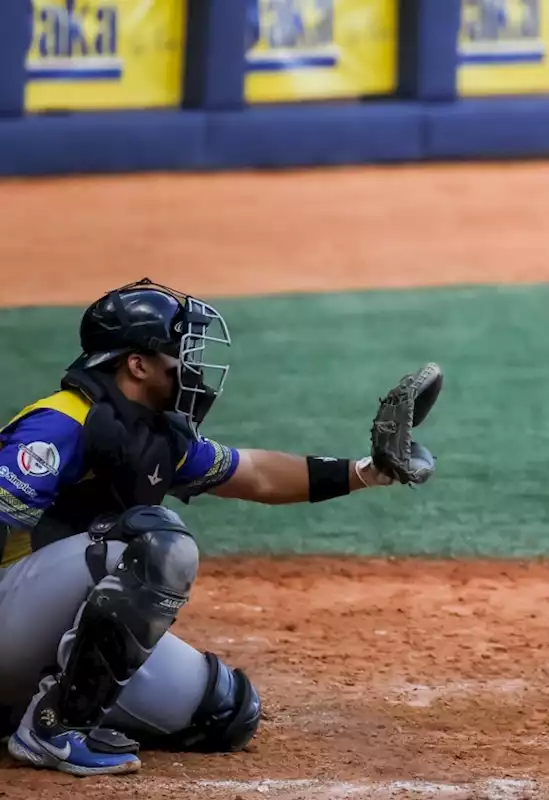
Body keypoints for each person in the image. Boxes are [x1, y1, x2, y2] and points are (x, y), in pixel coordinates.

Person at [0, 278, 441, 776]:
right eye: (178, 353)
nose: (192, 368)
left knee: (226, 712)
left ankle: (25, 707)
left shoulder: (151, 435)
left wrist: (369, 471)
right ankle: (52, 729)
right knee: (154, 541)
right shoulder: (59, 424)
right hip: (7, 619)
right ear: (137, 364)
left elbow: (254, 473)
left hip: (40, 633)